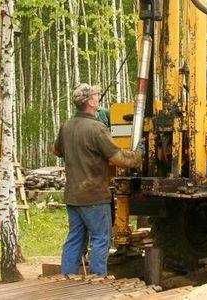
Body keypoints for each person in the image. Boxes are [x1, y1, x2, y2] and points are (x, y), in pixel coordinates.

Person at [54, 83, 142, 276]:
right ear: (91, 102)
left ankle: (67, 281)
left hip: (73, 196)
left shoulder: (66, 126)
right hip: (94, 196)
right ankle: (98, 283)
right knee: (101, 238)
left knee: (75, 238)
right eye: (96, 95)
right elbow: (117, 158)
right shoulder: (97, 128)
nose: (99, 98)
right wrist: (138, 154)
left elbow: (57, 150)